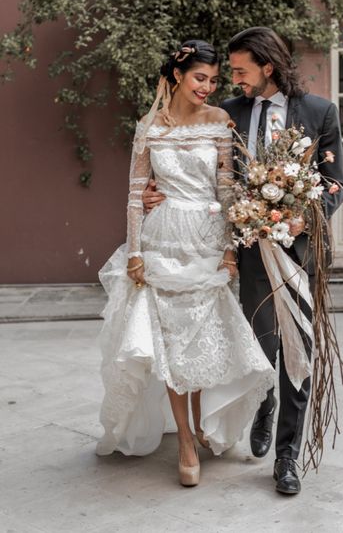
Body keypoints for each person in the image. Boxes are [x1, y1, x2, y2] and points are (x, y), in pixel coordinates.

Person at [144, 27, 343, 495]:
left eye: (239, 71)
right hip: (249, 257)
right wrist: (158, 191)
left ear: (267, 67)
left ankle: (287, 456)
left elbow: (336, 182)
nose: (231, 80)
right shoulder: (225, 115)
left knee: (298, 350)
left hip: (298, 253)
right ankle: (265, 402)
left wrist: (304, 219)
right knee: (262, 347)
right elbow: (196, 165)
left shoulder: (318, 112)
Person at [96, 39, 274, 488]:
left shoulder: (220, 122)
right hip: (162, 241)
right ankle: (187, 445)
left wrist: (231, 249)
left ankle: (198, 427)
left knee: (200, 340)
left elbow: (227, 190)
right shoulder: (149, 127)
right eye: (200, 78)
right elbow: (137, 196)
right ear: (177, 75)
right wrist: (135, 252)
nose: (208, 88)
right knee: (172, 344)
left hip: (208, 241)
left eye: (215, 81)